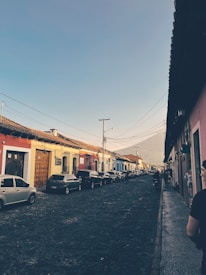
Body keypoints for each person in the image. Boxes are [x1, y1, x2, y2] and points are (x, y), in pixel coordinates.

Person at [186, 160, 206, 274]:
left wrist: (200, 242)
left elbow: (190, 232)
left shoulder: (201, 198)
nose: (201, 174)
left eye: (203, 170)